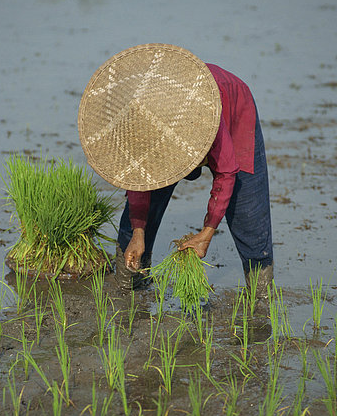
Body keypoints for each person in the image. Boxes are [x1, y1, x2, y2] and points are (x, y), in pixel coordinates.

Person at [78, 43, 273, 312]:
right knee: (141, 213)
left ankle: (261, 297)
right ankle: (130, 288)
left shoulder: (206, 115)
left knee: (248, 212)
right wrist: (138, 231)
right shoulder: (141, 122)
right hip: (163, 121)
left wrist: (207, 232)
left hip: (231, 107)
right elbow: (139, 184)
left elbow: (227, 171)